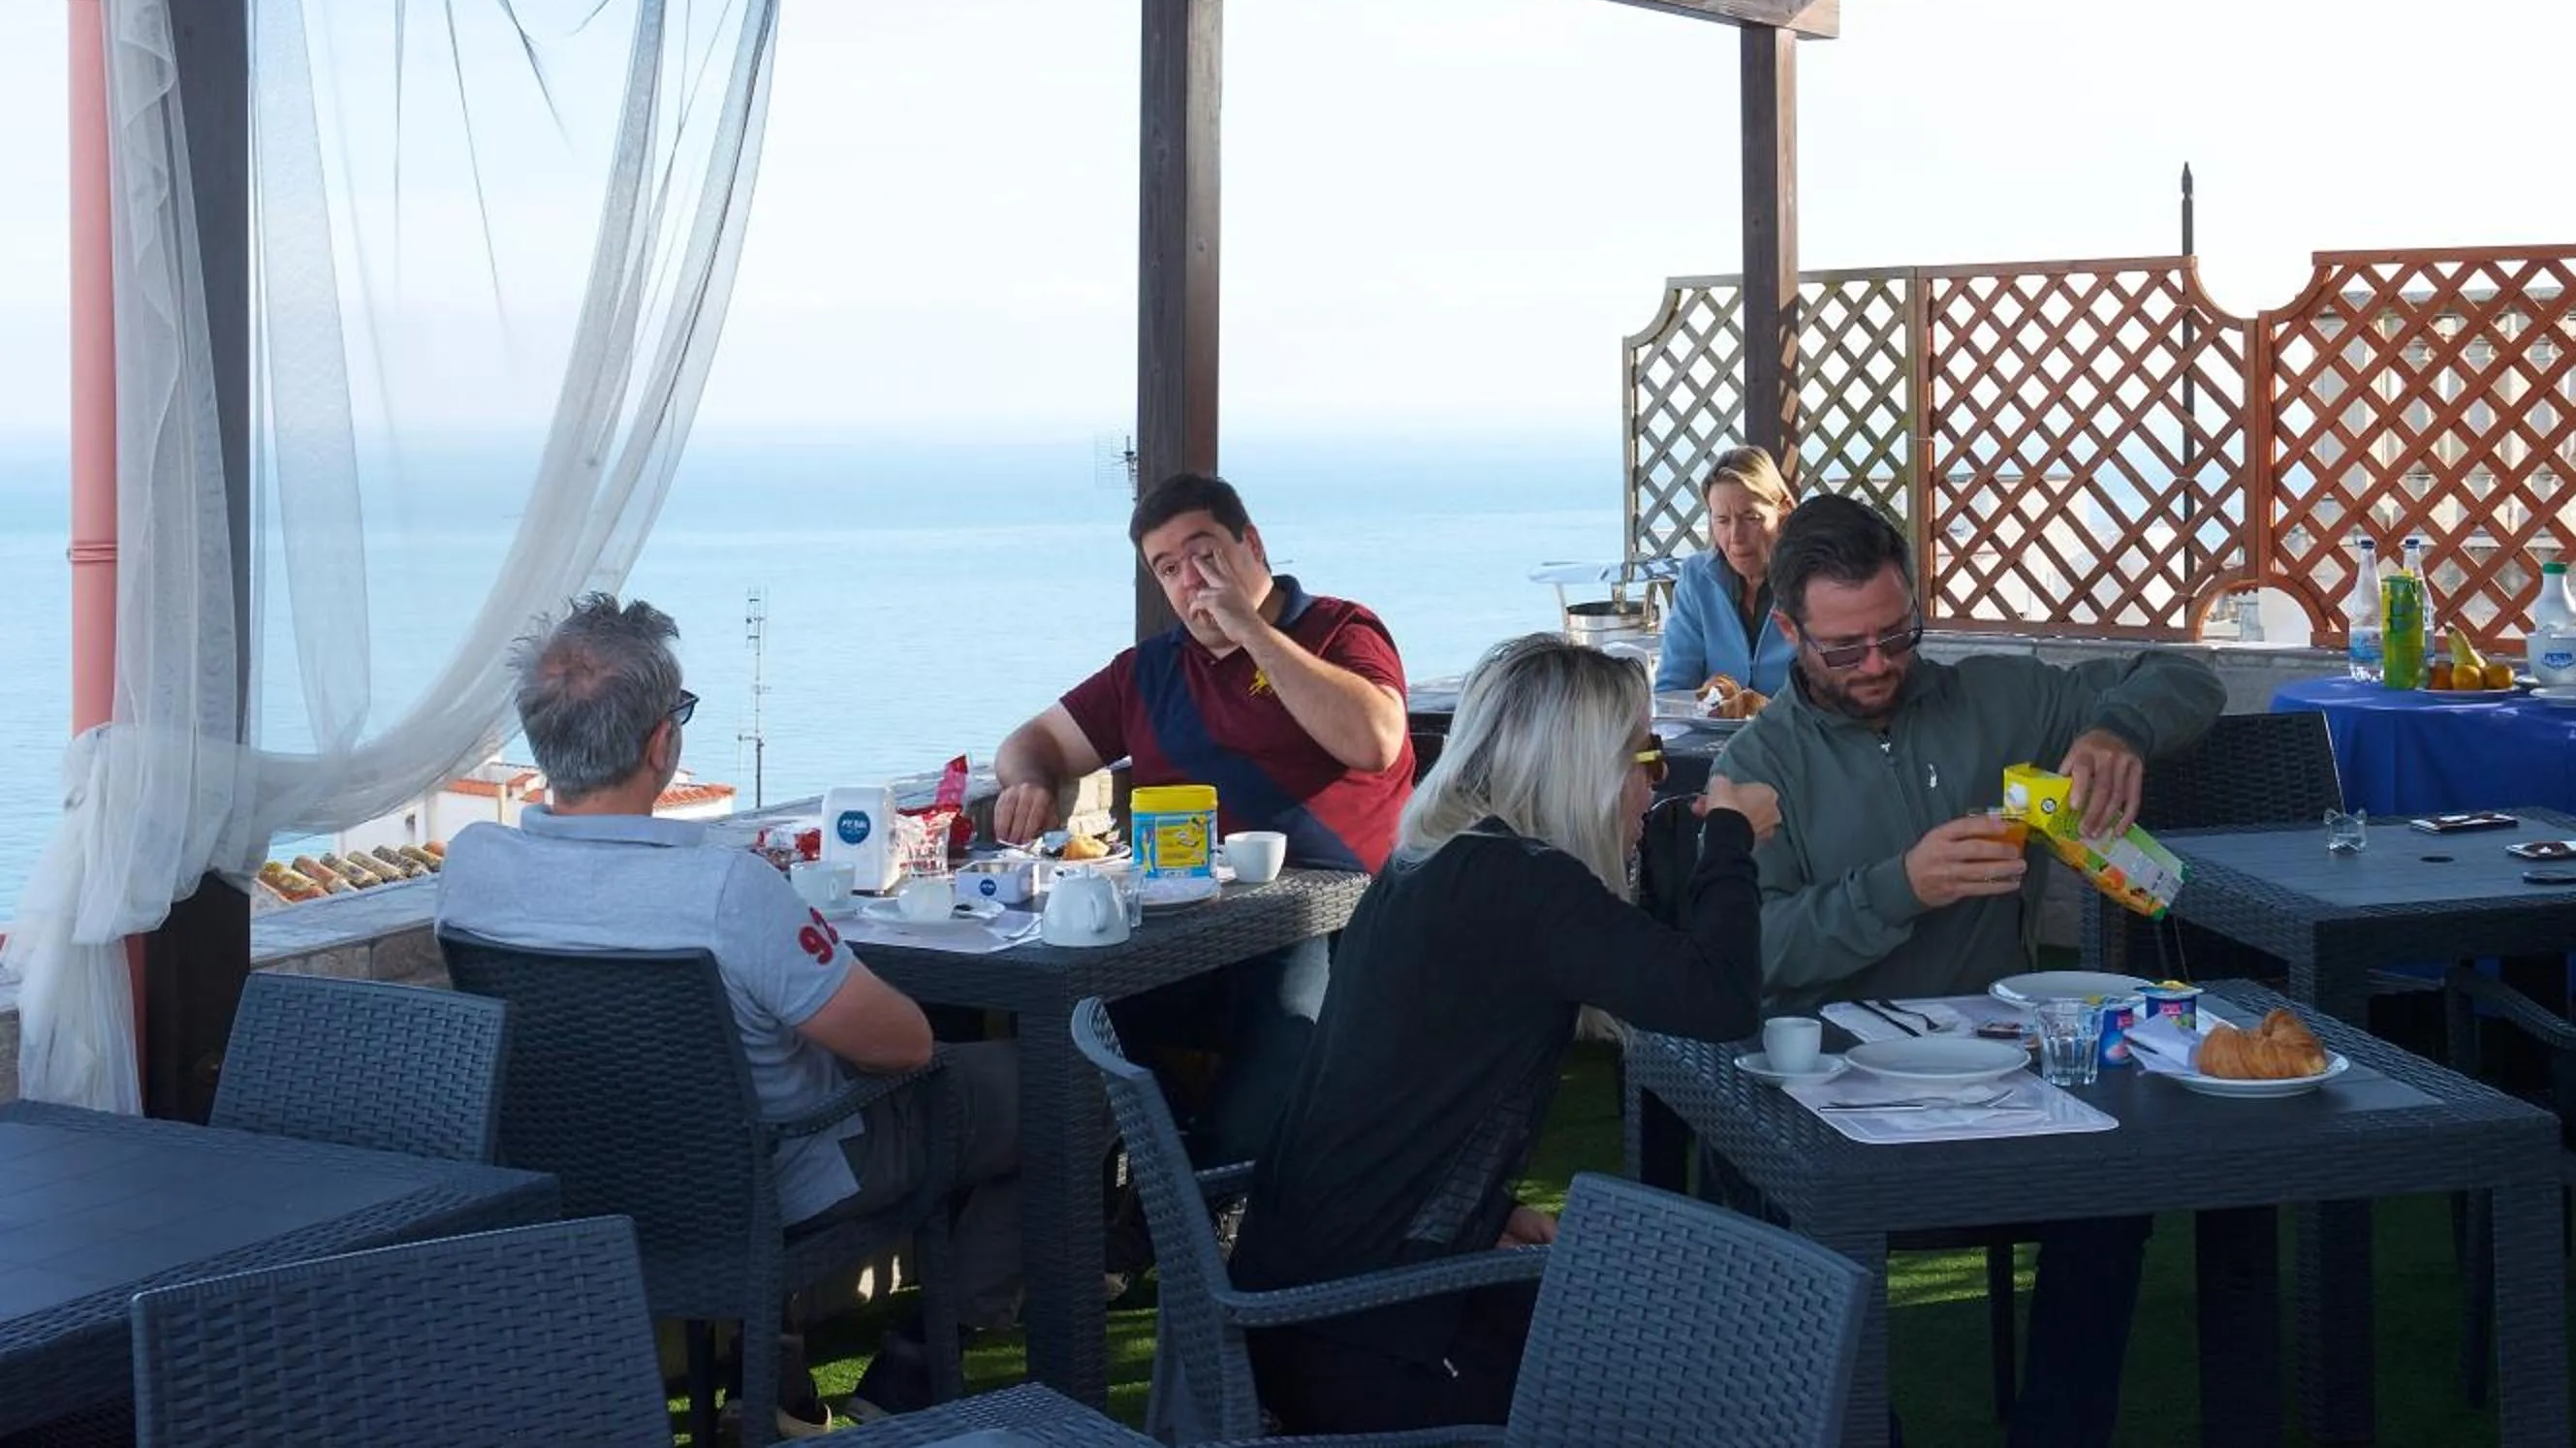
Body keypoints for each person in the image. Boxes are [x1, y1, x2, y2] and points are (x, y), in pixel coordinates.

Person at [1708, 495, 2223, 1448]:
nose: (1877, 666)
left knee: (2116, 1183)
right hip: (1837, 1086)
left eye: (1896, 635)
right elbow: (1748, 952)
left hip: (2001, 1070)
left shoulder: (1996, 696)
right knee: (1766, 1181)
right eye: (1844, 648)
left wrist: (2118, 729)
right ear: (1788, 631)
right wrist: (1899, 887)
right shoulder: (1753, 765)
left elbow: (2186, 674)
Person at [435, 595, 1020, 1427]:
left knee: (750, 1078)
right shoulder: (726, 893)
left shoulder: (473, 873)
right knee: (1060, 1090)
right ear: (662, 743)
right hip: (774, 1184)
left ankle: (773, 1375)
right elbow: (906, 1044)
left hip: (591, 1180)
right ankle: (921, 1368)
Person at [1230, 634, 1775, 1432]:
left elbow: (1397, 1099)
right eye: (1642, 754)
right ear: (1582, 768)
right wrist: (1729, 837)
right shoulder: (1523, 886)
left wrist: (1479, 1208)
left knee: (1658, 1322)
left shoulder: (1435, 862)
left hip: (1302, 1309)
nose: (1652, 780)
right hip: (1372, 1337)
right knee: (1730, 1365)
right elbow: (1720, 999)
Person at [990, 471, 1414, 1164]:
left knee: (1280, 1044)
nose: (1190, 578)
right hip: (1183, 927)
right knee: (1072, 1015)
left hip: (1332, 921)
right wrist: (1031, 782)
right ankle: (1153, 1201)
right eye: (1168, 567)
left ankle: (1215, 1218)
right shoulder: (1149, 671)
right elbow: (1025, 744)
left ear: (1252, 543)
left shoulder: (1339, 630)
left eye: (1204, 552)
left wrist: (1251, 632)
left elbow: (1376, 740)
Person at [1654, 444, 1798, 696]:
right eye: (1722, 520)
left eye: (1751, 518)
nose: (1736, 537)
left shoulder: (1814, 582)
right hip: (1709, 734)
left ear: (1783, 511)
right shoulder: (1697, 578)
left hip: (1798, 733)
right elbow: (1672, 690)